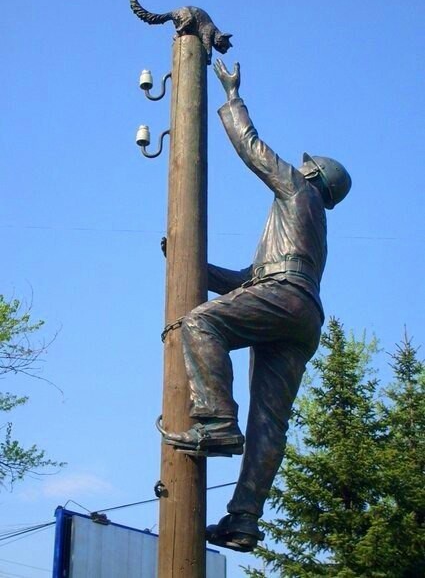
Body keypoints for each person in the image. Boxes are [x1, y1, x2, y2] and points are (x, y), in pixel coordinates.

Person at [160, 59, 352, 552]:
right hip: (301, 314)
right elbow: (250, 282)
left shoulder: (298, 189)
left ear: (312, 173)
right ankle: (244, 519)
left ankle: (218, 421)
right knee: (271, 420)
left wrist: (232, 95)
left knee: (199, 323)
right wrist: (191, 267)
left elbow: (253, 150)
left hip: (285, 298)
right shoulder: (310, 229)